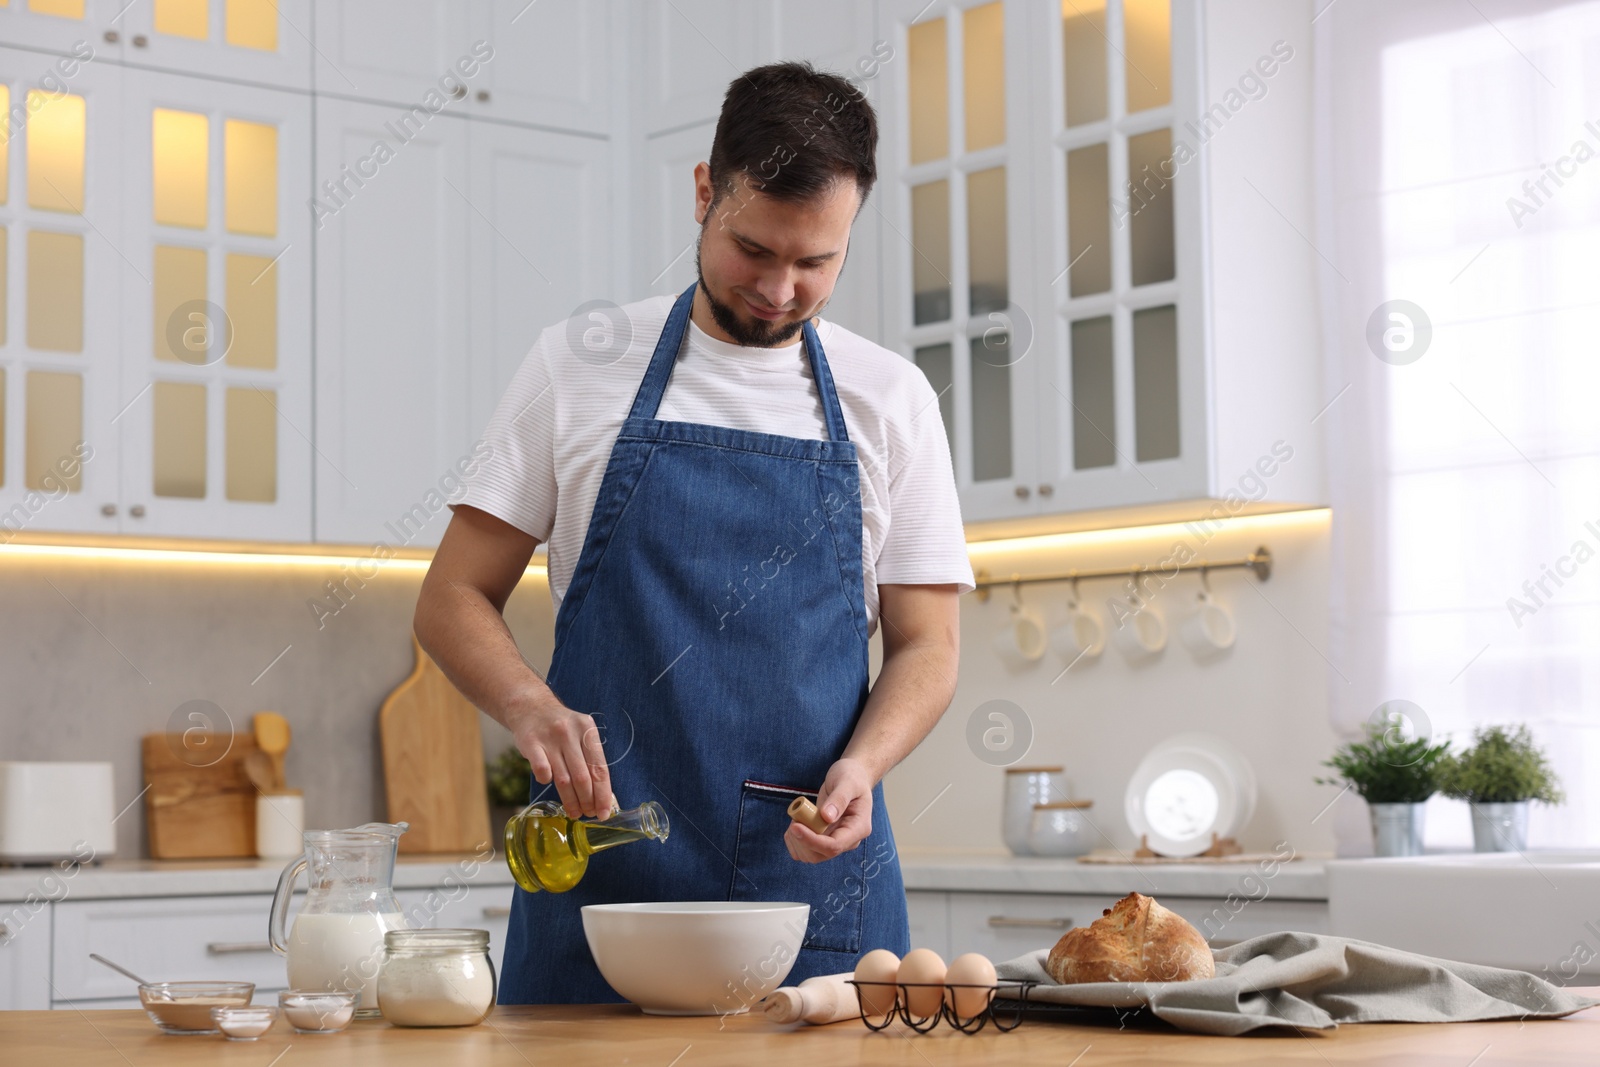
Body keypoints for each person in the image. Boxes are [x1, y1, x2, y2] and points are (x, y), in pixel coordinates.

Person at [414, 61, 974, 1005]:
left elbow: (930, 644)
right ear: (706, 191)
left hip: (814, 883)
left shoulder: (892, 399)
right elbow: (451, 595)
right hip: (601, 870)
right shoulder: (579, 364)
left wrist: (864, 766)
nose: (779, 288)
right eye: (754, 249)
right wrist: (526, 705)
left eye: (817, 262)